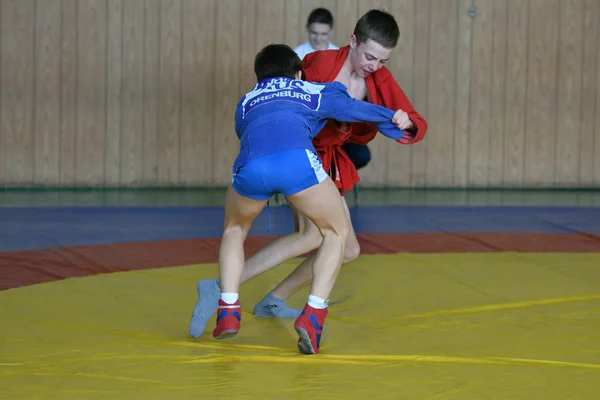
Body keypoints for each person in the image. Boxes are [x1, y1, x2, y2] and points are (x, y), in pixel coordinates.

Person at [189, 9, 427, 341]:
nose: (374, 66)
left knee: (321, 240)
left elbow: (409, 118)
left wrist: (403, 121)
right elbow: (299, 100)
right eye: (370, 56)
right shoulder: (318, 63)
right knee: (333, 239)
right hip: (303, 157)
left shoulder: (379, 79)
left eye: (382, 61)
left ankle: (245, 294)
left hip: (306, 160)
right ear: (353, 41)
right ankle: (242, 293)